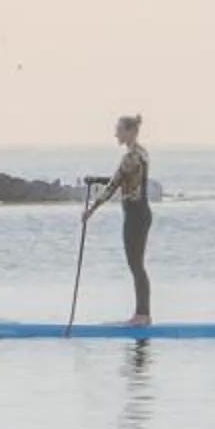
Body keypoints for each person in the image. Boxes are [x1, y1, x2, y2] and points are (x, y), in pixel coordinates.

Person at [85, 113, 152, 323]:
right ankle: (143, 313)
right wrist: (96, 179)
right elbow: (122, 178)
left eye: (119, 130)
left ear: (130, 132)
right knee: (137, 264)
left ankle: (142, 315)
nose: (116, 133)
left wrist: (91, 209)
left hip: (135, 215)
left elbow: (114, 185)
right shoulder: (141, 153)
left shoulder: (131, 157)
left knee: (136, 265)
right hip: (141, 212)